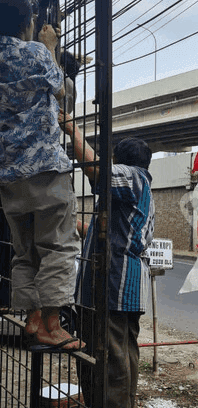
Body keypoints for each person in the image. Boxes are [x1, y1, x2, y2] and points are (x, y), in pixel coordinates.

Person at [0, 0, 84, 351]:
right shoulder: (33, 51)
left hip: (8, 173)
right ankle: (51, 324)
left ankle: (31, 317)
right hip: (45, 167)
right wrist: (51, 46)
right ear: (27, 23)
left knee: (25, 251)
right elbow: (61, 90)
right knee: (60, 246)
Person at [60, 116, 155, 408]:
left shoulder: (132, 177)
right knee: (122, 356)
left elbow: (97, 173)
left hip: (113, 286)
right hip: (126, 288)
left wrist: (73, 129)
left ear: (119, 161)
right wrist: (69, 220)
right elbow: (103, 233)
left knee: (109, 360)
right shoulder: (139, 193)